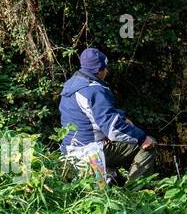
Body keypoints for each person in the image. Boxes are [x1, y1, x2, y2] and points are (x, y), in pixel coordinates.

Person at [59, 47, 157, 185]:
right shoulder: (94, 89)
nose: (107, 71)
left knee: (118, 181)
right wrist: (142, 138)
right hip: (89, 153)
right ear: (99, 71)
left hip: (68, 151)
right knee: (148, 145)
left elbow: (88, 117)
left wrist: (121, 117)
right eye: (105, 68)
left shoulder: (72, 84)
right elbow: (113, 129)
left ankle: (115, 179)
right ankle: (138, 193)